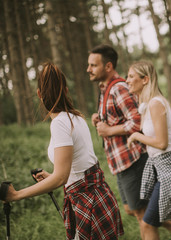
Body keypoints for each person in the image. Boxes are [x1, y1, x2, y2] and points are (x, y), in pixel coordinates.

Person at [4, 62, 123, 240]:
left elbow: (62, 177)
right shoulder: (77, 117)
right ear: (66, 91)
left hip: (87, 204)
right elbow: (77, 168)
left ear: (39, 95)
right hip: (99, 197)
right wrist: (51, 175)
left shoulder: (60, 123)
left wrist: (15, 195)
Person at [88, 44, 171, 240]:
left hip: (133, 159)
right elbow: (119, 117)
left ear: (108, 66)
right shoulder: (105, 90)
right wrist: (100, 118)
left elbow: (136, 121)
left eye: (93, 65)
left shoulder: (118, 88)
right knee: (132, 210)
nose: (88, 69)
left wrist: (109, 130)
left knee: (142, 216)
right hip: (120, 162)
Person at [126, 61, 171, 240]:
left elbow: (162, 143)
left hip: (170, 169)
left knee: (147, 223)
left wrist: (136, 136)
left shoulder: (155, 103)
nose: (127, 80)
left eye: (130, 76)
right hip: (162, 169)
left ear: (145, 79)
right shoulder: (146, 105)